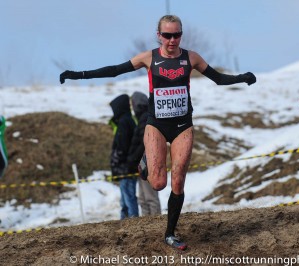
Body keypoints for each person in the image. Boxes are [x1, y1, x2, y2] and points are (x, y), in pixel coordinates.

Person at [59, 15, 256, 250]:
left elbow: (218, 78)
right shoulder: (148, 58)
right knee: (158, 183)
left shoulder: (191, 58)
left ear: (181, 34)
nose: (172, 40)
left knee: (179, 177)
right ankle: (146, 162)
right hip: (157, 126)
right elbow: (114, 70)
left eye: (177, 35)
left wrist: (242, 77)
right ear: (158, 35)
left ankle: (170, 233)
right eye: (167, 35)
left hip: (183, 125)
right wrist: (78, 74)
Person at [128, 91, 161, 216]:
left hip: (147, 162)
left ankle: (156, 223)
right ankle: (147, 225)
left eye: (133, 104)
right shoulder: (143, 118)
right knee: (143, 199)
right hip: (142, 162)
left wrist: (133, 159)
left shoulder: (146, 118)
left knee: (150, 198)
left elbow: (144, 144)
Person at [109, 94, 139, 219]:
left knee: (128, 196)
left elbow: (122, 145)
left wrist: (117, 158)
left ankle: (132, 220)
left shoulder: (123, 122)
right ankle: (126, 220)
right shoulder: (129, 120)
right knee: (125, 196)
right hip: (128, 165)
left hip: (126, 166)